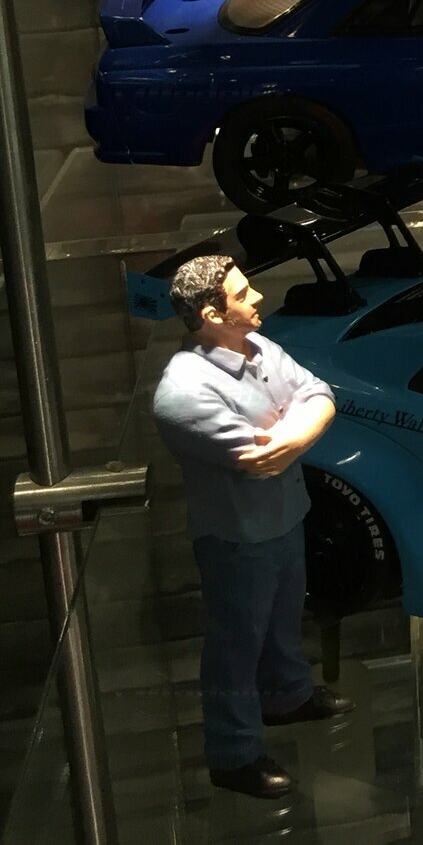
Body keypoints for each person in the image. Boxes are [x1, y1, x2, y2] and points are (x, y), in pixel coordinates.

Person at [151, 255, 351, 799]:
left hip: (285, 516)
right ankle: (233, 753)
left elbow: (320, 394)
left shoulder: (259, 346)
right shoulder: (183, 392)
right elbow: (262, 458)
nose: (258, 296)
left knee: (283, 619)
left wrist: (292, 430)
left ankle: (288, 696)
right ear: (212, 314)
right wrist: (297, 426)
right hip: (237, 537)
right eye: (243, 294)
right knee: (236, 645)